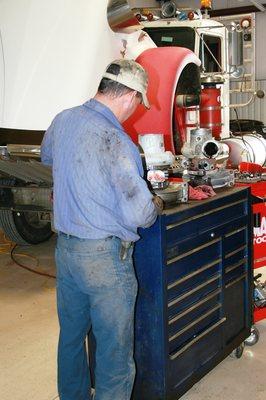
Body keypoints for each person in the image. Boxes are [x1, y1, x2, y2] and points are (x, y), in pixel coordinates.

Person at [41, 59, 163, 400]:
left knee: (71, 340)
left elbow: (49, 159)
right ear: (130, 96)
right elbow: (139, 212)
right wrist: (155, 205)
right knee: (114, 354)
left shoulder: (62, 120)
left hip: (66, 252)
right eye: (139, 103)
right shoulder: (116, 139)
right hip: (105, 261)